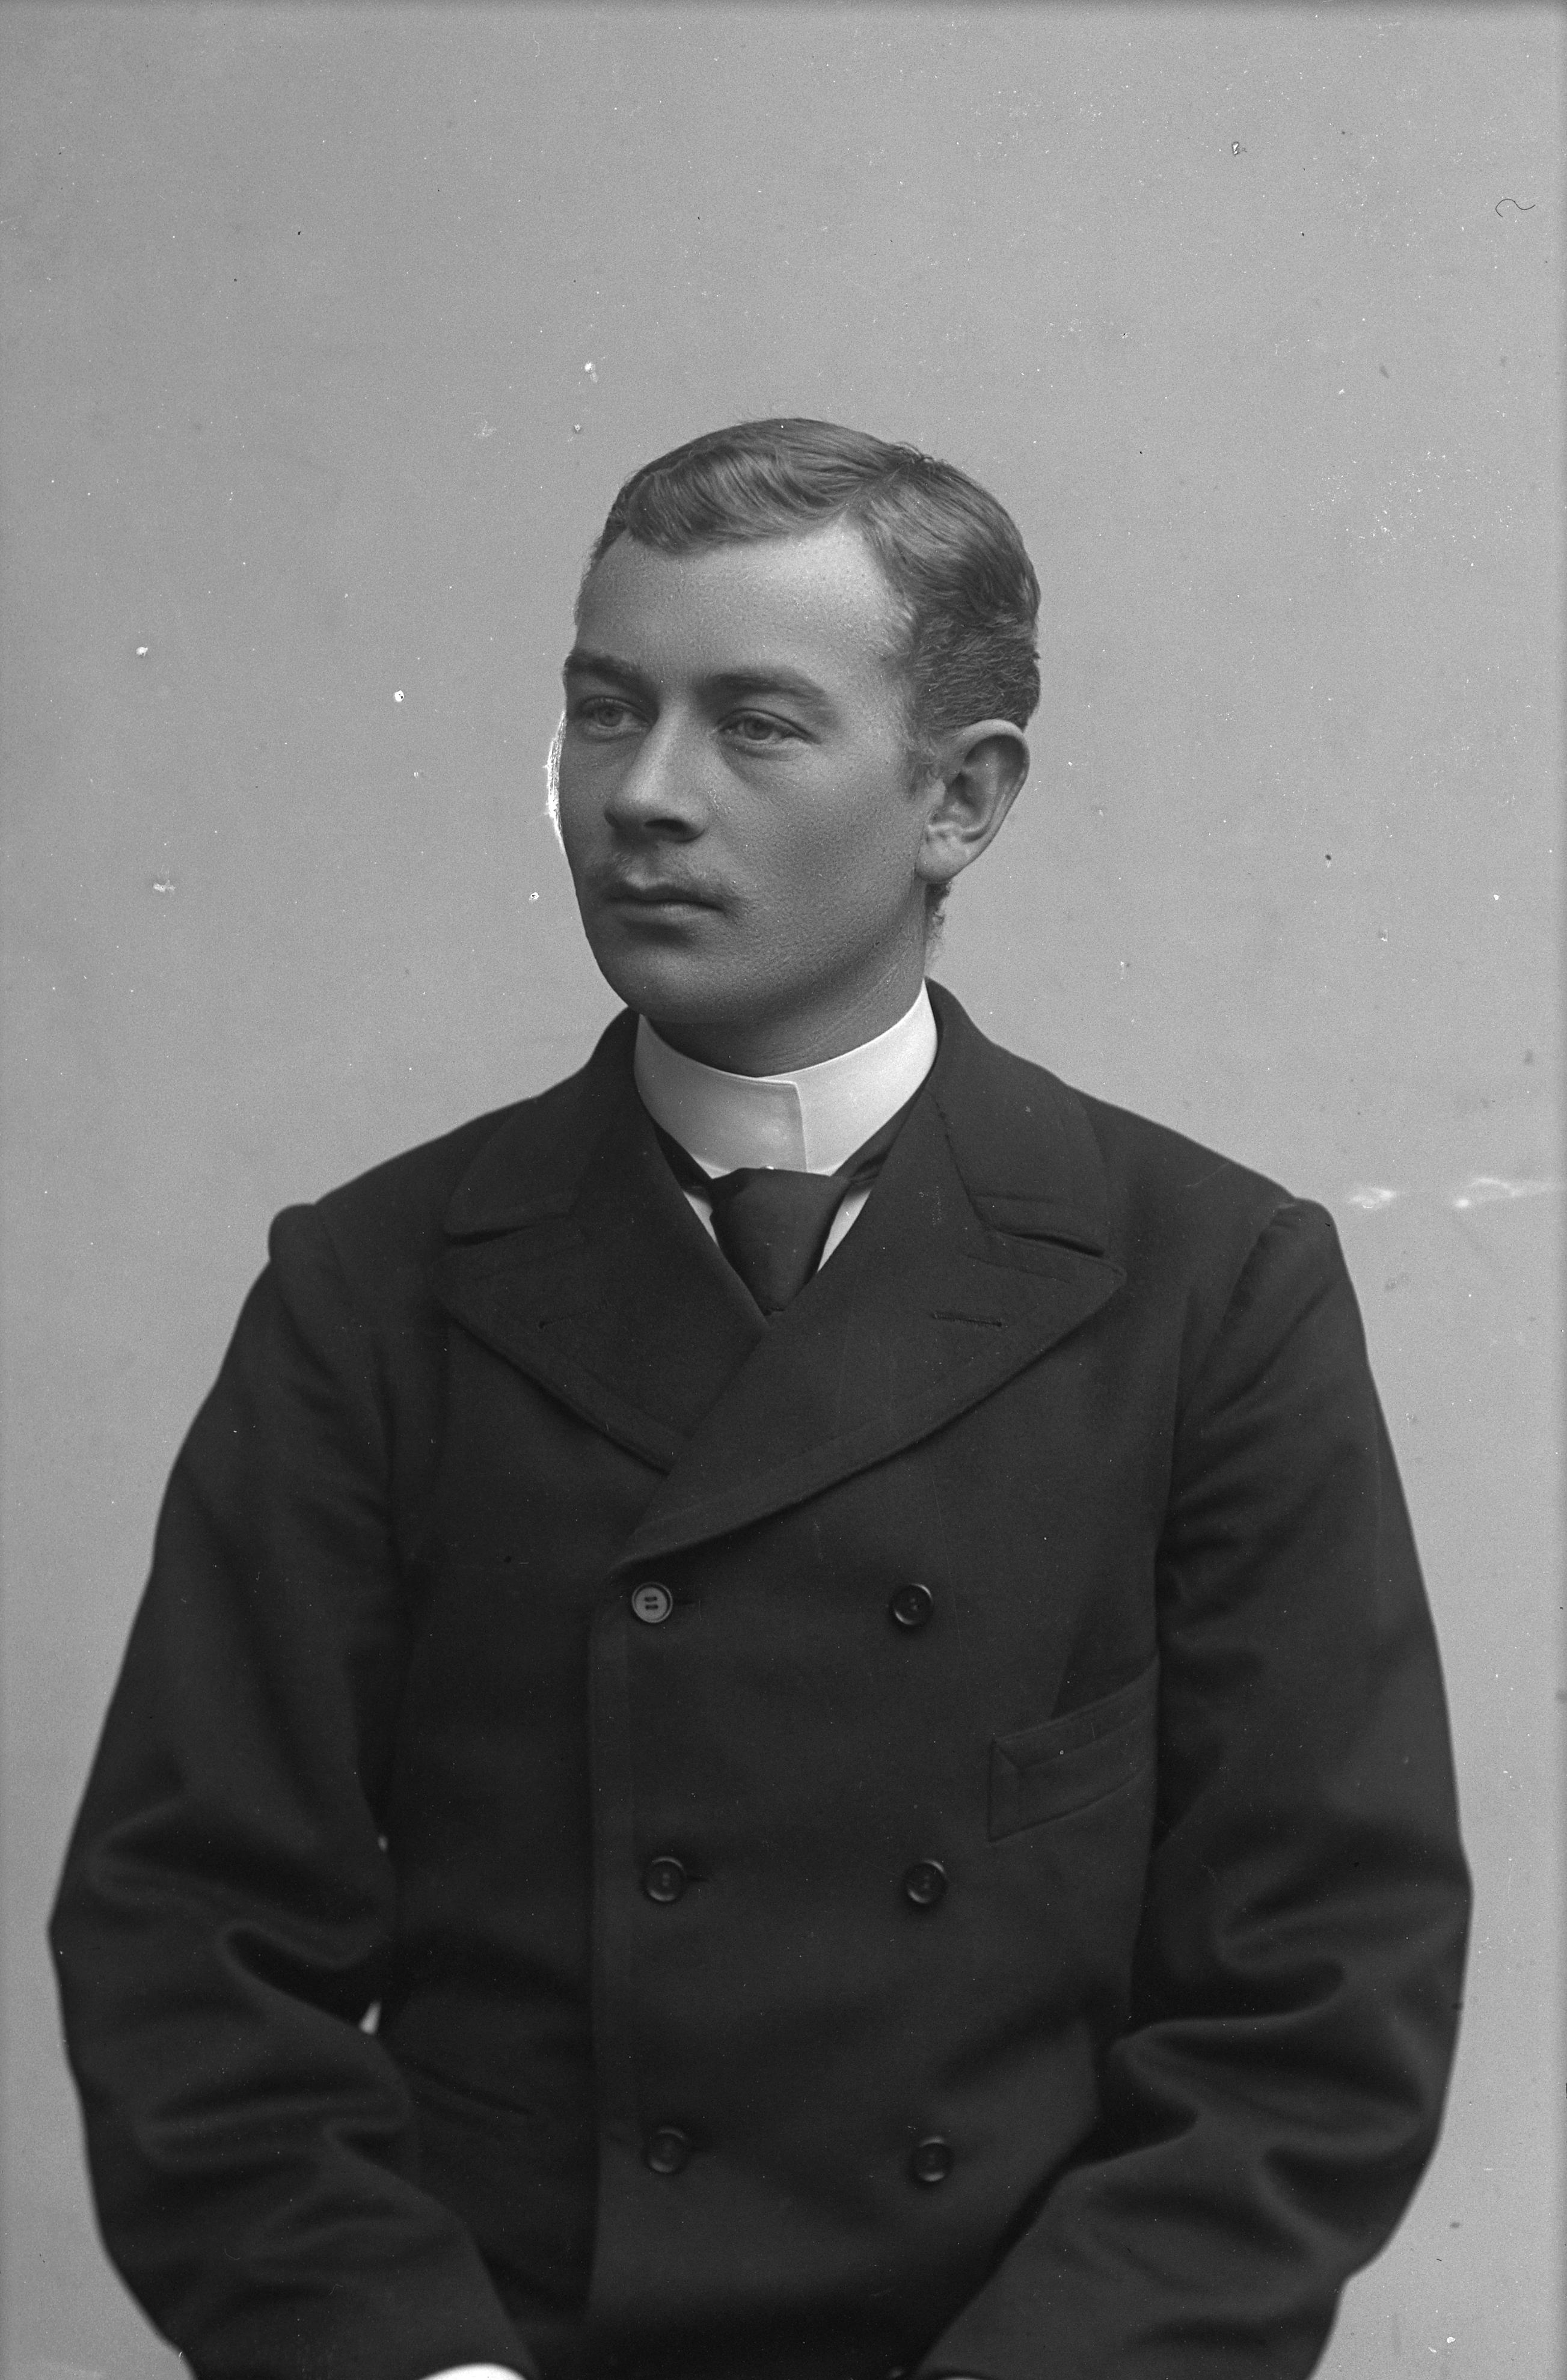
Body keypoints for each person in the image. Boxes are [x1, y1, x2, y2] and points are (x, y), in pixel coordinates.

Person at [51, 420, 1470, 2380]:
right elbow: (189, 1944)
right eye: (604, 710)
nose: (643, 795)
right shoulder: (374, 1288)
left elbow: (1318, 1994)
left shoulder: (1209, 1283)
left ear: (961, 799)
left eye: (756, 725)